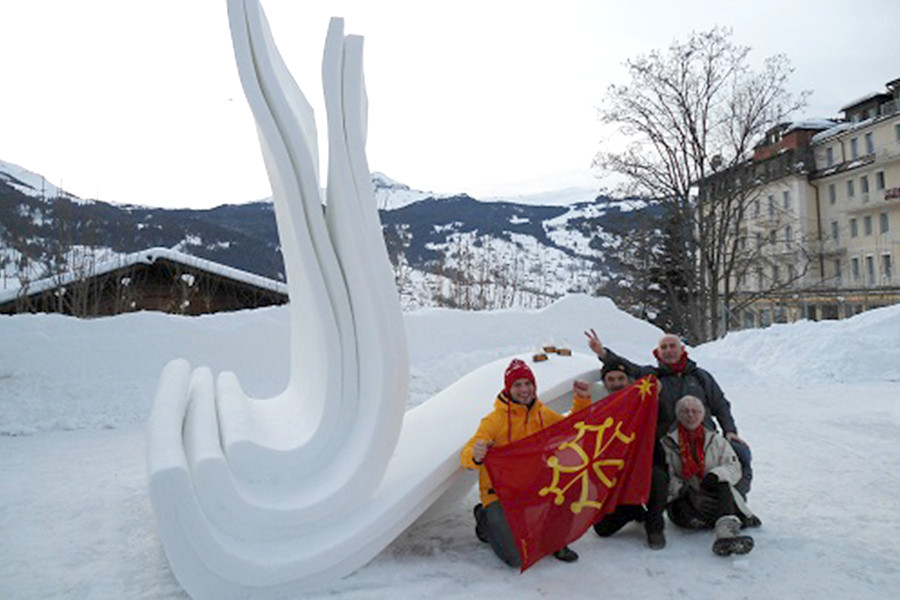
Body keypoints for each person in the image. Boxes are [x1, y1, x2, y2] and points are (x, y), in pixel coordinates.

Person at [584, 329, 754, 499]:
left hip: (704, 438)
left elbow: (720, 405)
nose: (668, 350)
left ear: (682, 350)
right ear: (657, 353)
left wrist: (730, 431)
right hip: (670, 442)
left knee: (741, 452)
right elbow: (628, 368)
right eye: (663, 347)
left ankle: (735, 499)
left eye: (673, 346)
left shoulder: (700, 376)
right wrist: (602, 352)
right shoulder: (652, 376)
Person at [461, 358, 580, 567]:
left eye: (528, 384)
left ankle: (555, 540)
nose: (524, 390)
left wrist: (582, 400)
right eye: (517, 385)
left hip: (533, 488)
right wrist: (475, 454)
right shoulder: (494, 421)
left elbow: (573, 428)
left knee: (567, 486)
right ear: (508, 388)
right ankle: (484, 519)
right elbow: (468, 453)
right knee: (516, 558)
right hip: (499, 493)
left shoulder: (543, 414)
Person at [580, 361, 668, 549]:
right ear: (605, 383)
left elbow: (663, 420)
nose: (616, 383)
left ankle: (654, 526)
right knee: (603, 530)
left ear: (629, 381)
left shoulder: (645, 402)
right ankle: (633, 509)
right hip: (614, 473)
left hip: (646, 467)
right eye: (611, 380)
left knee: (659, 477)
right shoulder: (602, 408)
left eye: (621, 378)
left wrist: (657, 397)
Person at [661, 395, 759, 556]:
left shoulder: (716, 441)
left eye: (695, 411)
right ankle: (720, 519)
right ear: (678, 415)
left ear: (703, 414)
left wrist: (714, 475)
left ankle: (726, 535)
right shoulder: (667, 444)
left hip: (712, 494)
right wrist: (687, 491)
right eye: (685, 411)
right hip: (686, 503)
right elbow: (667, 476)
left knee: (722, 482)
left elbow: (733, 467)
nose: (690, 415)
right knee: (679, 504)